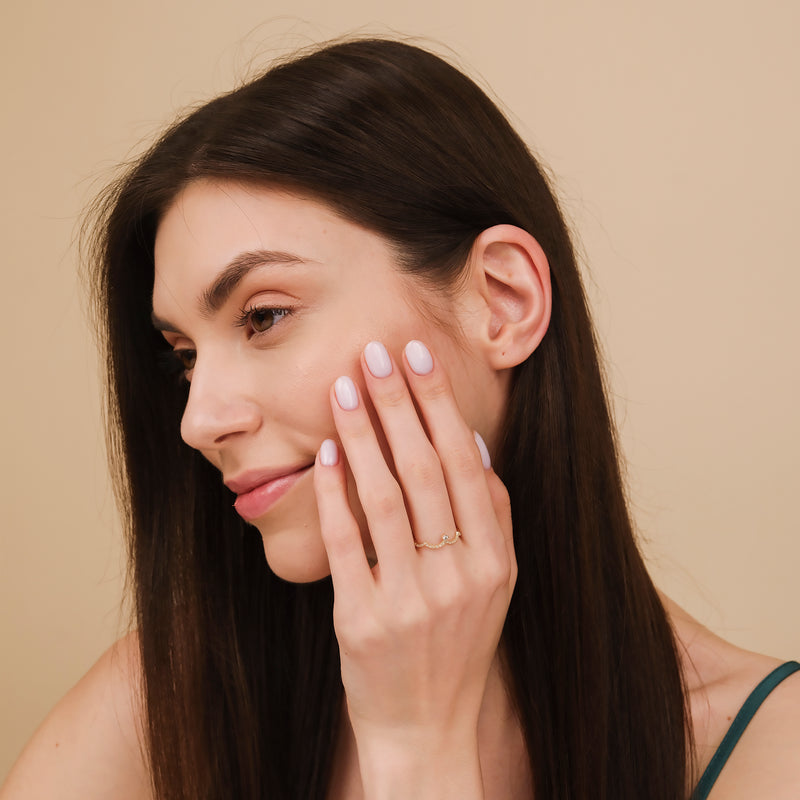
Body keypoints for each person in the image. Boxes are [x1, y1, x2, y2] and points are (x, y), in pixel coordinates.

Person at [1, 37, 798, 800]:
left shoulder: (766, 746)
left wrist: (418, 750)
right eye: (184, 356)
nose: (198, 420)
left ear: (504, 301)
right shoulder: (161, 711)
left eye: (264, 316)